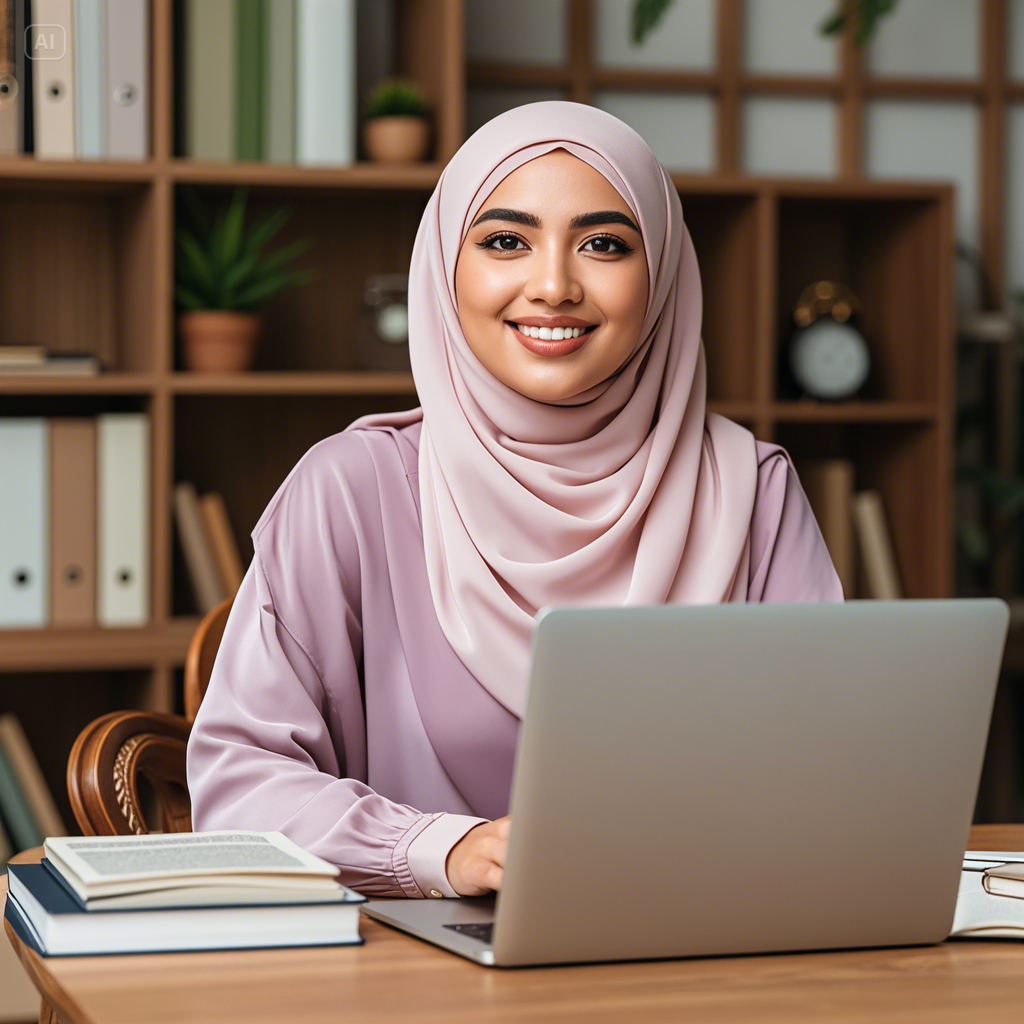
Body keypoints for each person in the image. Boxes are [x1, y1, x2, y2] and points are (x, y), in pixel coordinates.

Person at [186, 101, 843, 901]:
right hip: (412, 978)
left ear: (664, 270)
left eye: (604, 244)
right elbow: (240, 783)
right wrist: (440, 850)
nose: (555, 285)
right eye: (505, 241)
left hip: (698, 953)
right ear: (444, 267)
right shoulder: (352, 488)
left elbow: (827, 769)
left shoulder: (751, 486)